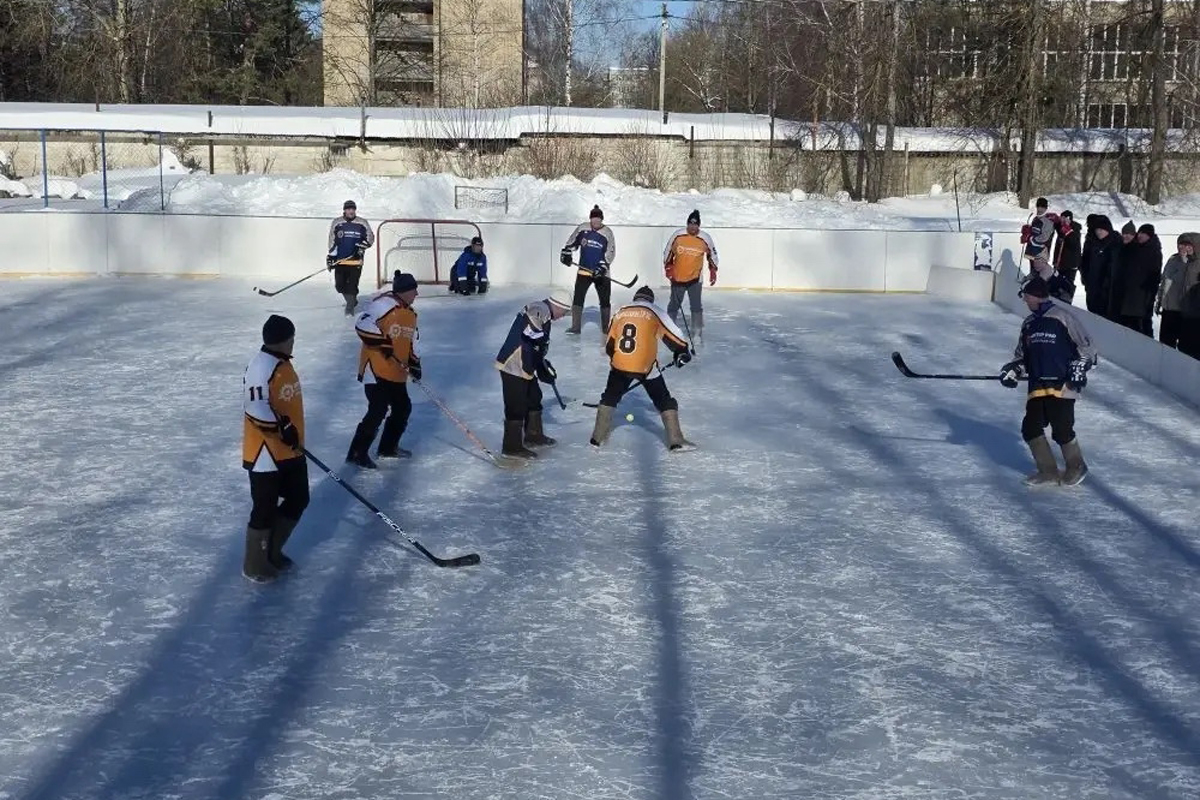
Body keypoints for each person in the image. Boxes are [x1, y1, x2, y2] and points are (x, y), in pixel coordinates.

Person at [999, 276, 1098, 487]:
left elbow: (1087, 348)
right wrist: (1014, 369)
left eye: (1026, 296)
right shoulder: (1029, 324)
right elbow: (1022, 356)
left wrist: (1079, 366)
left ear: (1035, 295)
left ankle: (1076, 465)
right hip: (1037, 385)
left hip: (1063, 384)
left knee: (1062, 428)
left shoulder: (1062, 317)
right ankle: (1048, 471)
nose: (1025, 300)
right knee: (1031, 428)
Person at [241, 314, 309, 583]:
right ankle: (255, 564)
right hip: (264, 453)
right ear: (282, 341)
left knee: (299, 498)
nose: (293, 344)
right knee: (264, 508)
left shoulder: (282, 363)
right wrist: (282, 427)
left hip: (291, 448)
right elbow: (255, 409)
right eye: (291, 339)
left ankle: (272, 551)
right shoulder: (260, 367)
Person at [589, 286, 695, 452]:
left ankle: (597, 439)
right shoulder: (654, 311)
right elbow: (672, 335)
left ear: (635, 298)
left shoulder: (620, 312)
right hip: (645, 365)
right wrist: (682, 351)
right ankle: (676, 440)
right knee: (664, 400)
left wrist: (619, 360)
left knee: (609, 397)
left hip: (620, 364)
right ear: (650, 300)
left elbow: (609, 345)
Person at [346, 271, 421, 469]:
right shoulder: (383, 305)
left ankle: (388, 447)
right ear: (404, 291)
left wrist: (415, 363)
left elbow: (411, 341)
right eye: (414, 290)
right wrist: (383, 343)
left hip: (396, 372)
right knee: (377, 409)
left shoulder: (411, 314)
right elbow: (362, 324)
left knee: (402, 408)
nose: (416, 294)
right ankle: (357, 452)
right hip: (376, 368)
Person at [494, 291, 572, 458]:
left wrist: (542, 367)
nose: (563, 316)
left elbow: (536, 346)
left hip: (526, 365)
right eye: (564, 312)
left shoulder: (547, 314)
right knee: (516, 406)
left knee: (534, 397)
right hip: (513, 364)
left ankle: (533, 435)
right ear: (558, 306)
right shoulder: (541, 308)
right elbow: (531, 330)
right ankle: (512, 447)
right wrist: (538, 337)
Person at [662, 209, 719, 341]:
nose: (692, 226)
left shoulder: (705, 238)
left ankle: (697, 334)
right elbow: (667, 252)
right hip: (677, 278)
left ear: (699, 225)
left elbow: (712, 255)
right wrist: (668, 267)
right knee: (674, 305)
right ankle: (670, 331)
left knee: (696, 306)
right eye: (690, 223)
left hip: (695, 279)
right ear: (687, 224)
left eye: (695, 224)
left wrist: (713, 270)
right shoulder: (678, 236)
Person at [560, 205, 616, 335]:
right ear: (590, 219)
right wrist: (567, 252)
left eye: (598, 219)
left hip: (602, 273)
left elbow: (611, 252)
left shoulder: (607, 232)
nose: (596, 222)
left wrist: (602, 267)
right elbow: (572, 242)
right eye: (593, 219)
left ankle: (605, 328)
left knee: (604, 300)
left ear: (602, 220)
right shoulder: (583, 228)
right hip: (584, 271)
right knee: (578, 298)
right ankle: (575, 327)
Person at [1111, 223, 1161, 334]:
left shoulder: (1153, 250)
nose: (1141, 235)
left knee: (1140, 326)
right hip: (1128, 294)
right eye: (1140, 233)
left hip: (1141, 296)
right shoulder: (1133, 248)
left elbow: (1155, 274)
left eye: (1144, 234)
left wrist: (1149, 293)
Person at [327, 200, 375, 316]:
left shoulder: (362, 223)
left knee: (352, 286)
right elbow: (332, 241)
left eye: (353, 209)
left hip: (356, 261)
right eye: (348, 209)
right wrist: (331, 257)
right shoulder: (337, 222)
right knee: (339, 286)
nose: (351, 211)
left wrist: (362, 247)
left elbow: (370, 238)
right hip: (341, 261)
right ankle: (352, 300)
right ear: (344, 210)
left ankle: (349, 308)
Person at [1155, 233, 1196, 349]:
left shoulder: (1195, 264)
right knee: (1165, 344)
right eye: (1180, 245)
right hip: (1169, 308)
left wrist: (1184, 261)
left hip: (1185, 312)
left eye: (1186, 245)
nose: (1182, 248)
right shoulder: (1173, 259)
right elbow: (1165, 281)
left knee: (1185, 346)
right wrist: (1159, 301)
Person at [1079, 215, 1118, 317]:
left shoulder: (1115, 243)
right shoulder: (1092, 242)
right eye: (1097, 230)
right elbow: (1084, 261)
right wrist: (1085, 277)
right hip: (1092, 286)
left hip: (1107, 290)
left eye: (1102, 230)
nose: (1099, 232)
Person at [1021, 197, 1056, 281]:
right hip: (1032, 251)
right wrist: (1027, 232)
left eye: (1043, 207)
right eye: (1038, 206)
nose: (1040, 209)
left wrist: (1030, 238)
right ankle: (1030, 288)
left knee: (1039, 275)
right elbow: (1033, 232)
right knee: (1032, 271)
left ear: (1046, 208)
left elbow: (1044, 237)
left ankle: (1037, 290)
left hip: (1041, 252)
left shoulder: (1047, 222)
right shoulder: (1035, 219)